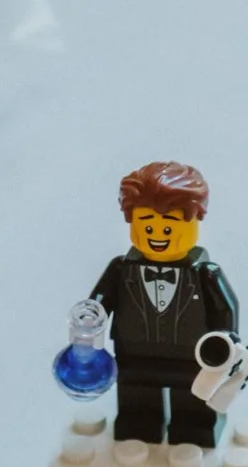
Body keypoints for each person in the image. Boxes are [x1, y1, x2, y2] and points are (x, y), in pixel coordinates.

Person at [89, 161, 239, 448]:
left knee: (194, 405)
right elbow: (98, 303)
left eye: (169, 227)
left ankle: (195, 429)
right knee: (137, 405)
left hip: (192, 360)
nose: (157, 235)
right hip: (134, 355)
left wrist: (226, 347)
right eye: (146, 225)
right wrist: (88, 320)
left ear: (196, 219)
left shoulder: (205, 274)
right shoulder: (121, 269)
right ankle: (139, 427)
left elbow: (225, 311)